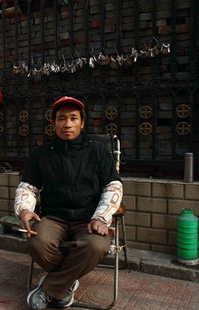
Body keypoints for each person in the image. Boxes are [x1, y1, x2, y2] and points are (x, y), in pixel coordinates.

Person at [13, 96, 123, 310]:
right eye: (61, 119)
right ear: (53, 123)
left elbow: (113, 186)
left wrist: (101, 217)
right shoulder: (42, 154)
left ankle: (51, 287)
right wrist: (24, 209)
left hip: (88, 217)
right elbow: (28, 186)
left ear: (82, 123)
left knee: (97, 245)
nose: (67, 124)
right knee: (37, 243)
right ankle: (67, 281)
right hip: (54, 216)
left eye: (73, 118)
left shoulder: (97, 151)